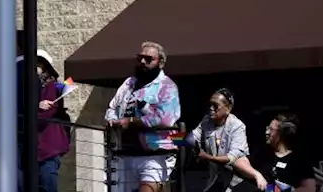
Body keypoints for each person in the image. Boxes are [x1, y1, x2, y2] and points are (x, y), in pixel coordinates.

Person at [104, 41, 182, 192]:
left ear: (161, 62)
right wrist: (113, 120)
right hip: (125, 153)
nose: (142, 62)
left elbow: (165, 119)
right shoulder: (129, 83)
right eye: (140, 58)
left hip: (155, 153)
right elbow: (112, 107)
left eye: (148, 59)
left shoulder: (167, 86)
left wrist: (132, 121)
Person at [185, 88, 254, 192]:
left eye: (215, 106)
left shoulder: (237, 126)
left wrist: (206, 156)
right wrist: (172, 137)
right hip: (215, 179)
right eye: (210, 105)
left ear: (228, 108)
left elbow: (231, 158)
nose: (211, 108)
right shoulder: (207, 121)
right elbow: (193, 137)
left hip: (235, 181)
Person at [233, 114, 315, 192]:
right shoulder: (263, 153)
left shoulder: (299, 159)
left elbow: (309, 188)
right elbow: (238, 161)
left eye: (271, 130)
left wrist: (278, 190)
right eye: (267, 128)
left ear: (282, 134)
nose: (267, 132)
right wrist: (257, 175)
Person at [36, 50, 72, 192]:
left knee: (47, 185)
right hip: (40, 149)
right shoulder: (37, 87)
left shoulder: (52, 86)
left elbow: (48, 112)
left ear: (45, 66)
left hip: (48, 148)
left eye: (38, 62)